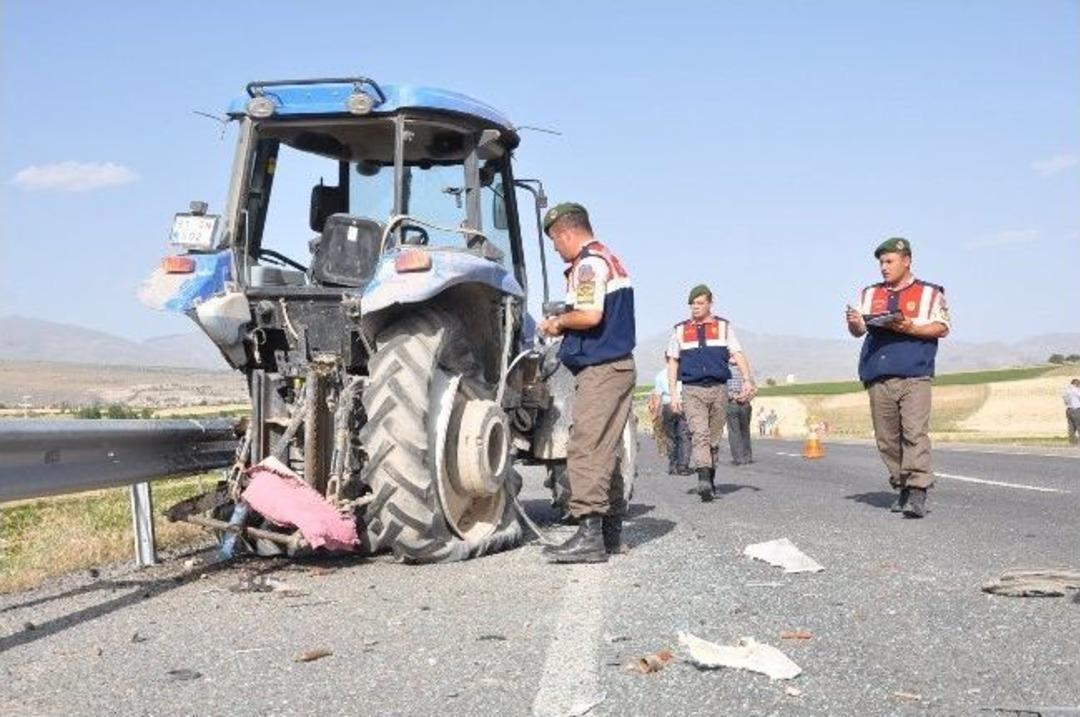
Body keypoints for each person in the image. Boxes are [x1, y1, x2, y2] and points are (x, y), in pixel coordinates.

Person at [537, 202, 636, 563]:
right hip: (616, 367)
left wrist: (557, 324)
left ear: (565, 232)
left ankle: (590, 536)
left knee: (585, 448)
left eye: (554, 241)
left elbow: (591, 315)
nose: (556, 249)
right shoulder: (607, 258)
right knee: (605, 448)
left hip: (602, 369)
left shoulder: (589, 264)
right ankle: (610, 534)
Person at [846, 237, 950, 519]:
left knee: (914, 433)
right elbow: (859, 331)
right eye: (881, 262)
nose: (883, 267)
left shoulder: (930, 292)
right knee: (886, 439)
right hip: (878, 375)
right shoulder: (870, 293)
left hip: (915, 373)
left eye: (889, 261)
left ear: (907, 261)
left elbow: (941, 327)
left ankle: (918, 490)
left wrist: (907, 328)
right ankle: (902, 485)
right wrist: (855, 325)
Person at [668, 284, 755, 502]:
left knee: (713, 440)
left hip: (719, 389)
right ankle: (703, 480)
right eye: (692, 304)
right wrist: (673, 394)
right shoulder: (679, 330)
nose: (695, 308)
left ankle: (710, 477)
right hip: (692, 390)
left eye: (699, 303)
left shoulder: (724, 327)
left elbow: (737, 352)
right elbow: (672, 362)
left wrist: (747, 379)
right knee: (700, 435)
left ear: (710, 304)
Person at [648, 368, 692, 475]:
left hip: (667, 406)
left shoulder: (660, 375)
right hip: (682, 404)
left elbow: (658, 397)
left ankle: (673, 464)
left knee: (670, 436)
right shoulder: (685, 372)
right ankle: (683, 466)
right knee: (684, 436)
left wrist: (656, 414)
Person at [725, 361, 756, 464]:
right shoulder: (745, 372)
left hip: (732, 403)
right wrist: (746, 397)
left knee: (734, 432)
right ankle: (747, 456)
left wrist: (734, 396)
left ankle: (738, 458)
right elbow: (754, 390)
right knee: (745, 431)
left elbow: (722, 390)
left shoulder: (724, 370)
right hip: (745, 404)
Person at [1063, 379, 1080, 445]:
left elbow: (1065, 400)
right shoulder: (1076, 390)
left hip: (1068, 410)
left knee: (1071, 427)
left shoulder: (1066, 391)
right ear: (1077, 384)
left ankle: (1073, 443)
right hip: (1076, 409)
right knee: (1079, 425)